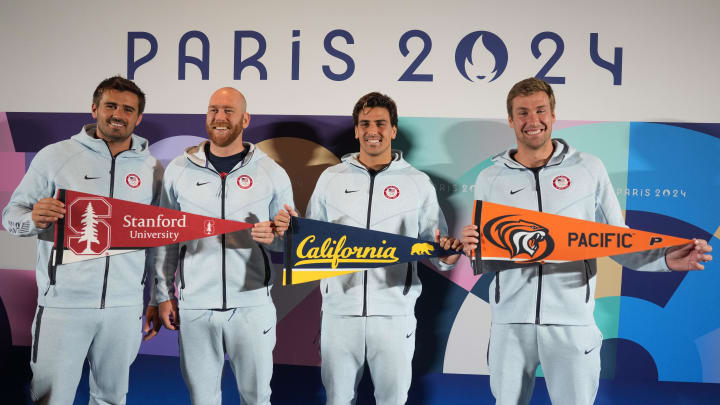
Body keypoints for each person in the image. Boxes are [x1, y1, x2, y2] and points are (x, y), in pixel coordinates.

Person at [460, 77, 713, 405]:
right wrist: (471, 246)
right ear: (511, 120)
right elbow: (487, 251)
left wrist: (665, 259)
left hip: (572, 322)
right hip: (509, 321)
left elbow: (618, 241)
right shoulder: (489, 178)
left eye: (541, 110)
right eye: (522, 113)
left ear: (553, 116)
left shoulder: (588, 169)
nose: (532, 120)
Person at [274, 92, 462, 405]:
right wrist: (291, 230)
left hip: (394, 314)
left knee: (392, 400)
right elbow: (310, 246)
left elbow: (437, 249)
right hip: (339, 313)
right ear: (356, 130)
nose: (372, 129)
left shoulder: (418, 183)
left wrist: (448, 253)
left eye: (380, 123)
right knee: (337, 399)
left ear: (393, 130)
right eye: (365, 124)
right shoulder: (331, 178)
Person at [2, 76, 163, 404]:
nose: (118, 114)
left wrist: (158, 296)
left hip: (124, 307)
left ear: (138, 117)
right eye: (111, 106)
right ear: (94, 109)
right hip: (63, 304)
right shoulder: (55, 156)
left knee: (111, 398)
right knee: (51, 398)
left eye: (128, 109)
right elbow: (10, 215)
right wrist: (32, 218)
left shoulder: (152, 168)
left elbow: (159, 239)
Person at [154, 87, 294, 405]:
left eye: (228, 111)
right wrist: (163, 295)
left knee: (256, 398)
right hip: (195, 307)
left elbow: (292, 238)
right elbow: (165, 239)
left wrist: (282, 232)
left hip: (252, 306)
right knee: (202, 400)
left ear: (245, 119)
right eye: (213, 110)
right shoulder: (179, 169)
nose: (219, 117)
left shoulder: (271, 172)